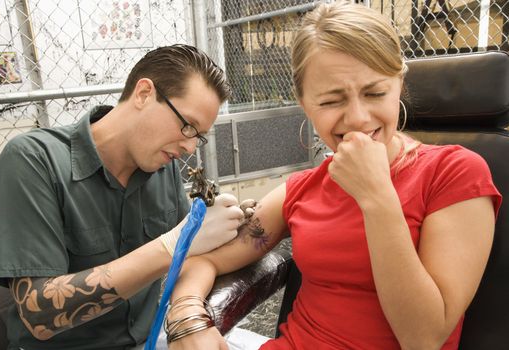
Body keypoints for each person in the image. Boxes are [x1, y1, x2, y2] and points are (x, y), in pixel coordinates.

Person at [166, 3, 502, 350]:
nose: (357, 118)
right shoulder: (302, 189)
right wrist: (187, 317)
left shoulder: (454, 173)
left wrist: (376, 197)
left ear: (399, 84)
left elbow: (424, 338)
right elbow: (203, 259)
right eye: (330, 101)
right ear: (305, 103)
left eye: (375, 93)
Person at [0, 44, 247, 350]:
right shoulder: (34, 161)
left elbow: (195, 255)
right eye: (187, 126)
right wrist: (174, 243)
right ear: (143, 94)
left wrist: (229, 227)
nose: (190, 148)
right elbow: (39, 313)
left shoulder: (161, 169)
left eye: (198, 136)